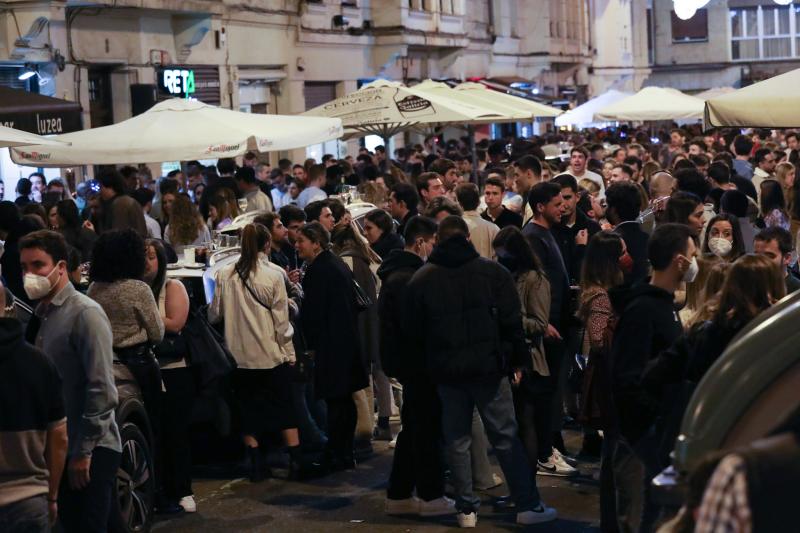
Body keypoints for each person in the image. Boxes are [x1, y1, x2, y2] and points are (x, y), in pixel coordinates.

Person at [406, 216, 557, 527]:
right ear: (468, 239)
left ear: (439, 238)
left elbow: (414, 332)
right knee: (505, 436)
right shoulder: (493, 273)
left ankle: (466, 508)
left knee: (457, 439)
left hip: (447, 372)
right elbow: (511, 323)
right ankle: (527, 504)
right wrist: (517, 361)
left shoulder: (422, 279)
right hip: (489, 368)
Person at [20, 230, 122, 533]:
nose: (30, 275)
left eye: (38, 265)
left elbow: (102, 389)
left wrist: (83, 451)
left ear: (61, 267)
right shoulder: (45, 314)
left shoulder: (85, 314)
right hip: (63, 448)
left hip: (91, 448)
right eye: (24, 268)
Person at [609, 223, 697, 533]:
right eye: (692, 254)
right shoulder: (645, 309)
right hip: (642, 438)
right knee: (639, 519)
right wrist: (651, 424)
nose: (694, 261)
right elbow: (627, 378)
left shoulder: (662, 305)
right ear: (679, 261)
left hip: (653, 435)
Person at [209, 223, 301, 481]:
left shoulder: (225, 274)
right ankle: (295, 460)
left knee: (248, 411)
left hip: (238, 357)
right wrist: (290, 352)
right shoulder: (273, 275)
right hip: (271, 354)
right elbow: (282, 324)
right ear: (267, 244)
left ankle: (256, 463)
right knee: (285, 408)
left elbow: (215, 314)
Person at [379, 216, 455, 517]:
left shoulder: (397, 274)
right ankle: (430, 494)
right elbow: (417, 327)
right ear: (421, 242)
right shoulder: (410, 277)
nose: (434, 249)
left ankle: (399, 494)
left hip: (407, 363)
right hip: (419, 364)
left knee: (414, 429)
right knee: (425, 430)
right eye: (433, 242)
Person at [87, 229, 164, 475]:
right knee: (154, 423)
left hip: (105, 362)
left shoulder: (94, 289)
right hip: (138, 363)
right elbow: (157, 333)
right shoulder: (138, 289)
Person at [296, 222, 368, 471]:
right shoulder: (334, 264)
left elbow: (313, 314)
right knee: (344, 402)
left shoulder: (320, 270)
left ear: (316, 242)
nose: (297, 246)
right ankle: (345, 452)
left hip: (332, 346)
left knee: (337, 404)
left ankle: (337, 453)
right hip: (346, 342)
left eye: (301, 241)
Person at [0, 281, 68, 533]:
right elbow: (59, 438)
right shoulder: (39, 363)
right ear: (9, 309)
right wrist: (51, 496)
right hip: (29, 500)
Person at [491, 225, 556, 479]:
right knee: (515, 426)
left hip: (530, 360)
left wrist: (509, 317)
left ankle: (527, 487)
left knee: (525, 424)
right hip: (512, 356)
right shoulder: (511, 276)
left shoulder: (534, 280)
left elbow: (540, 323)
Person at [575, 231, 628, 531]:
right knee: (612, 452)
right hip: (606, 378)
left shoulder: (602, 290)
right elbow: (598, 339)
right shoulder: (600, 295)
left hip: (605, 374)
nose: (627, 256)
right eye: (622, 251)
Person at [142, 239, 196, 512]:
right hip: (146, 370)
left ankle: (183, 490)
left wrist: (144, 313)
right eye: (142, 257)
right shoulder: (136, 289)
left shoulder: (172, 287)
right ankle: (159, 491)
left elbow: (176, 323)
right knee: (155, 434)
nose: (146, 262)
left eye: (151, 257)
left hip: (174, 370)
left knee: (176, 432)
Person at [551, 174, 601, 284]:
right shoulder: (547, 229)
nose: (563, 204)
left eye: (567, 197)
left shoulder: (592, 228)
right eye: (558, 199)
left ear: (577, 197)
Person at [96, 170, 148, 237]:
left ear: (110, 186)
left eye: (100, 187)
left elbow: (118, 235)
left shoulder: (121, 204)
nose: (99, 191)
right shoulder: (122, 201)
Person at [456, 182, 499, 260]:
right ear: (479, 202)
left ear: (459, 203)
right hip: (487, 271)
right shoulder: (493, 228)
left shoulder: (454, 227)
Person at [754, 226, 800, 293]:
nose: (761, 262)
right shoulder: (751, 286)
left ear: (787, 258)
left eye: (769, 256)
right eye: (757, 256)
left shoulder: (797, 292)